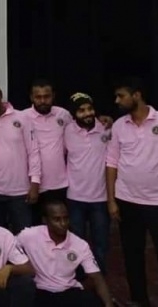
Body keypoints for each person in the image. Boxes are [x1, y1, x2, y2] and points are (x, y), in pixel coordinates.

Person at [106, 77, 158, 307]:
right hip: (127, 201)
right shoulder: (119, 125)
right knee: (132, 256)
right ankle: (139, 300)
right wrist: (112, 200)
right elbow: (111, 162)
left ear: (137, 95)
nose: (117, 101)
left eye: (121, 96)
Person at [16, 200, 114, 307]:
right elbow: (9, 246)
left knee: (95, 302)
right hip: (40, 290)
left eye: (65, 218)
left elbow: (96, 277)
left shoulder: (80, 244)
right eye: (57, 219)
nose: (63, 223)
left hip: (68, 290)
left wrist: (108, 304)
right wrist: (10, 268)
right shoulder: (29, 235)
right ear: (45, 220)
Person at [0, 79, 40, 234]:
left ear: (1, 94)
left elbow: (33, 152)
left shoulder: (22, 118)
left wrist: (35, 183)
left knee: (24, 237)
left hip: (20, 192)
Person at [64, 93, 110, 274]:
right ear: (74, 114)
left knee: (101, 243)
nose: (87, 113)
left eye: (90, 109)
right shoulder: (66, 131)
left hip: (101, 198)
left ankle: (99, 279)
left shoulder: (106, 128)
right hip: (75, 197)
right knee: (76, 243)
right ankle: (79, 278)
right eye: (81, 110)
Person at [22, 79, 73, 225]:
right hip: (32, 185)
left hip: (60, 183)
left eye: (47, 96)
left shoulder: (63, 114)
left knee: (60, 226)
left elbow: (79, 131)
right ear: (31, 97)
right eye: (38, 97)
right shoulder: (23, 117)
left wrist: (102, 120)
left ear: (53, 96)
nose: (43, 101)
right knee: (34, 227)